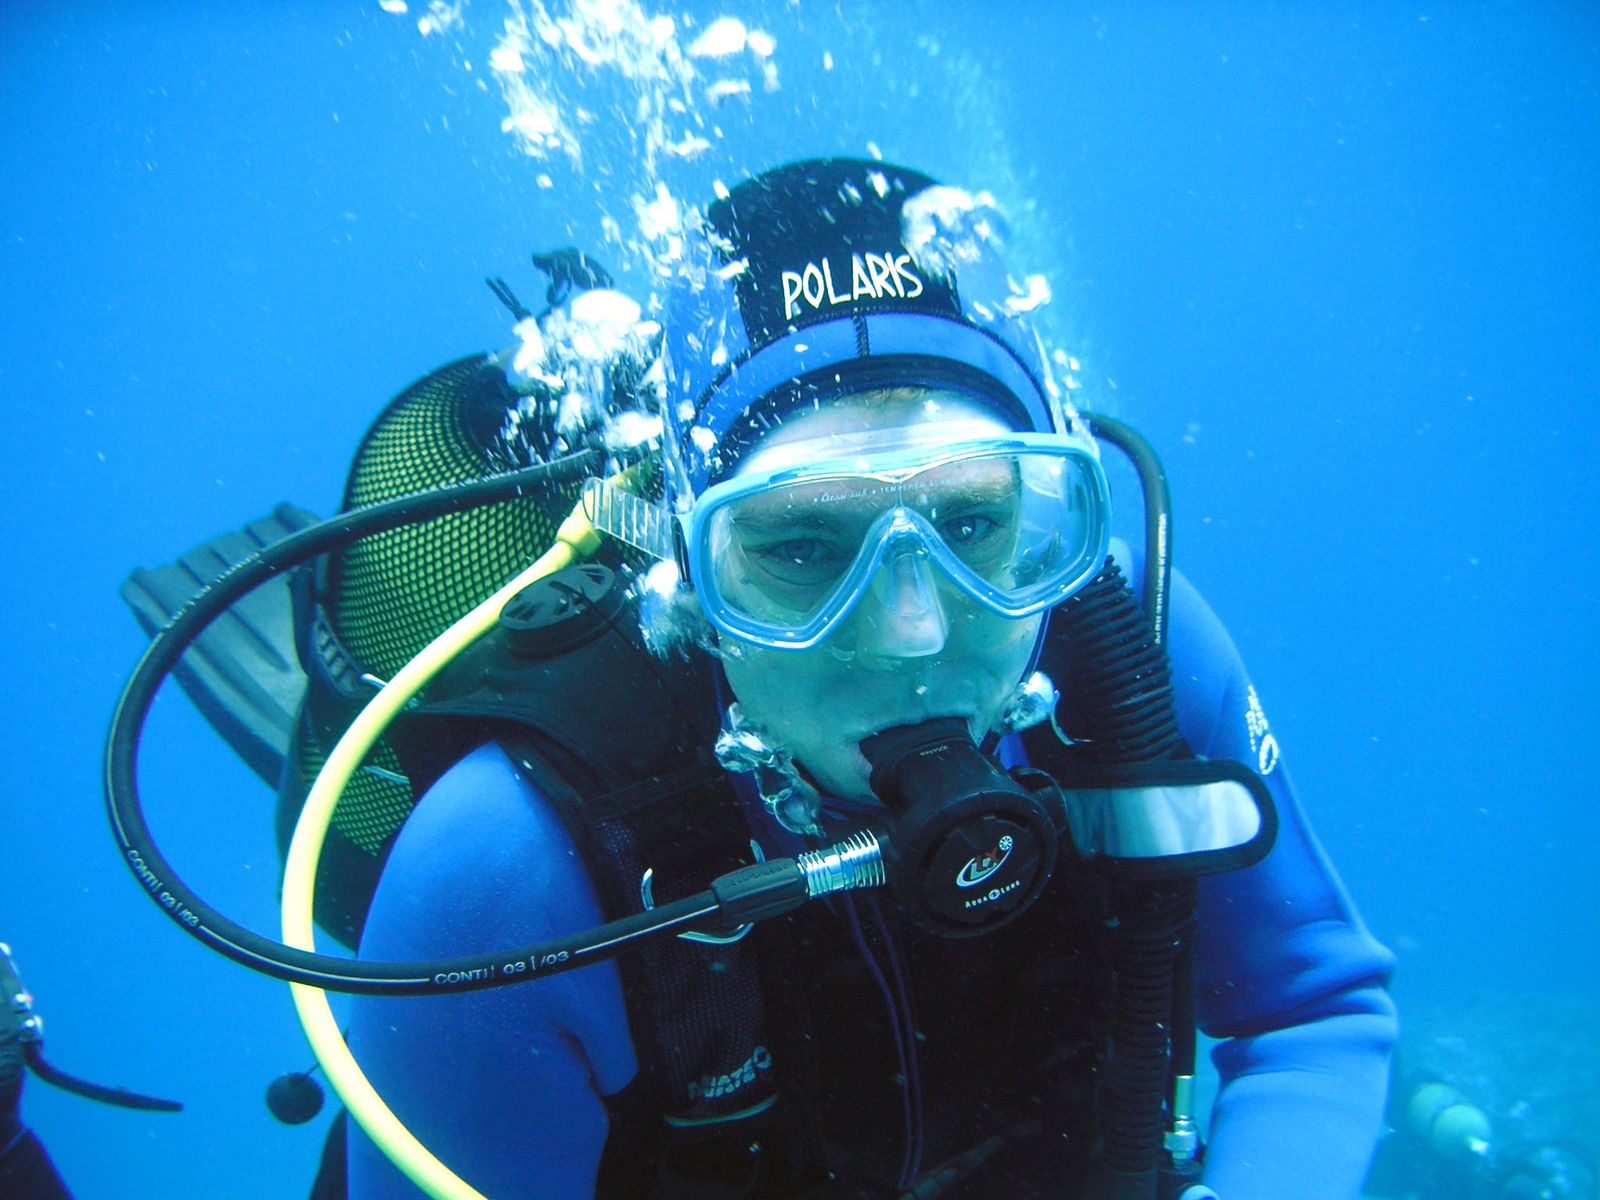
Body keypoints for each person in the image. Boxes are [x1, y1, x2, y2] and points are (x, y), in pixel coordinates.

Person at [326, 157, 1398, 1200]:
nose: (912, 634)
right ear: (689, 571)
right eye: (801, 549)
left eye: (971, 524)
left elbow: (1311, 1006)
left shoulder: (1130, 660)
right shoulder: (508, 870)